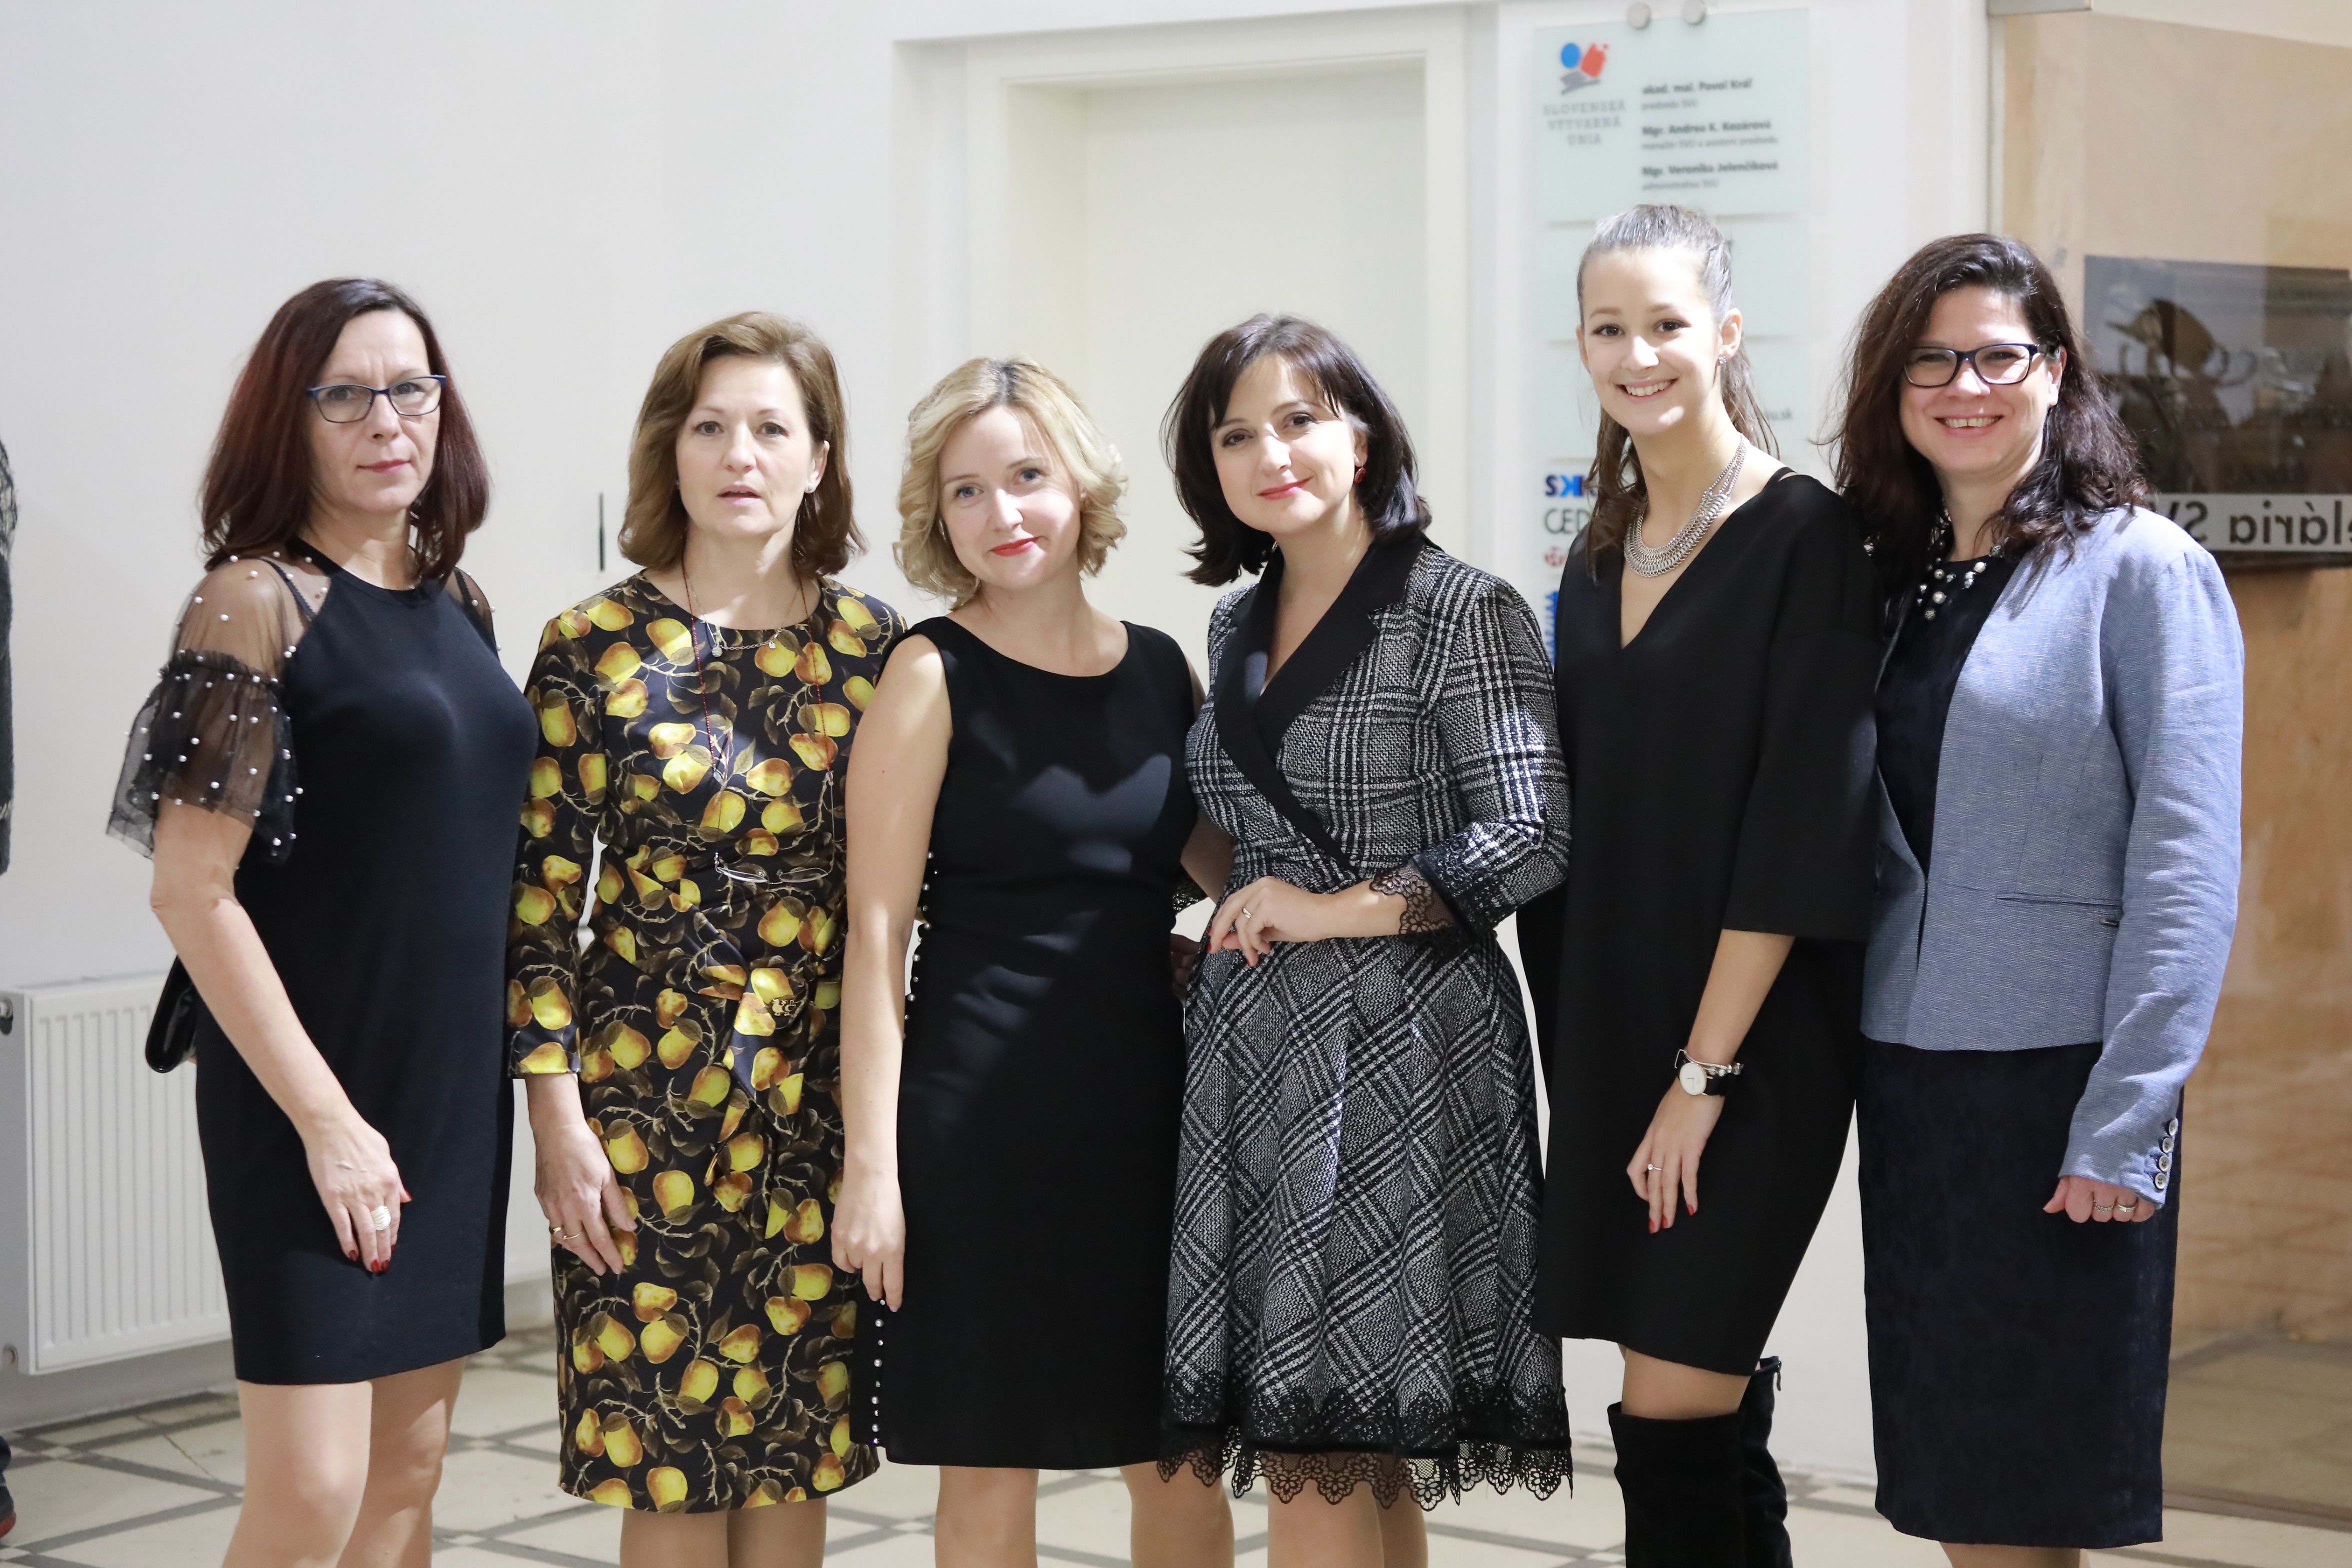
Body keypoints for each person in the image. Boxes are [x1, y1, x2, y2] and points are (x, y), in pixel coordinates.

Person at [108, 278, 532, 1567]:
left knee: (407, 1475)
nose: (387, 421)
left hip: (451, 1090)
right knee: (314, 1489)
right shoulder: (255, 600)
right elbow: (192, 889)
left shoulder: (459, 601)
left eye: (411, 388)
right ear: (285, 422)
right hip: (313, 1096)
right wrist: (330, 1123)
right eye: (344, 394)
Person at [1833, 235, 2241, 1566]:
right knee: (1959, 1489)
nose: (1966, 386)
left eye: (1997, 356)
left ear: (2056, 372)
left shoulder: (2143, 568)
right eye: (1931, 360)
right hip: (1910, 1077)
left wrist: (2129, 1124)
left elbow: (2185, 863)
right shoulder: (1891, 578)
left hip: (2061, 1083)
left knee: (2035, 1490)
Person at [1158, 314, 1572, 1567]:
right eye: (1237, 434)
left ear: (1364, 435)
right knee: (1351, 1439)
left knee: (1313, 1441)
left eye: (1299, 419)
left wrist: (1326, 908)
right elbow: (1248, 833)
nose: (1270, 453)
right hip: (1255, 1047)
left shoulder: (1458, 607)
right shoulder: (1235, 623)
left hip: (1403, 1042)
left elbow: (1531, 835)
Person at [505, 313, 902, 1564]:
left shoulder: (875, 649)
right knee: (668, 1476)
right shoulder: (590, 646)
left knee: (796, 1464)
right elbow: (539, 901)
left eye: (773, 428)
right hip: (641, 1114)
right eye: (711, 426)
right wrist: (555, 1121)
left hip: (817, 1105)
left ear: (819, 459)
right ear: (669, 451)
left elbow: (918, 889)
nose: (741, 454)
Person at [1519, 204, 1880, 1566]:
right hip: (1612, 1028)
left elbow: (1801, 827)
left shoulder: (1808, 536)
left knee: (1670, 1416)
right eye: (1608, 328)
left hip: (1749, 1046)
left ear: (1725, 333)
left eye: (1667, 323)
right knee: (1691, 1424)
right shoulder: (1596, 550)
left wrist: (1703, 1075)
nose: (1638, 354)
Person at [832, 358, 1234, 1568]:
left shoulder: (1162, 668)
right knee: (989, 1465)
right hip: (980, 1126)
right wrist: (872, 1169)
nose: (1000, 513)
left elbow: (1227, 871)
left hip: (1147, 1115)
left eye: (1026, 477)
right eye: (966, 491)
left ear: (1081, 489)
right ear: (938, 516)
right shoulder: (929, 671)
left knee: (1180, 1461)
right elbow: (875, 935)